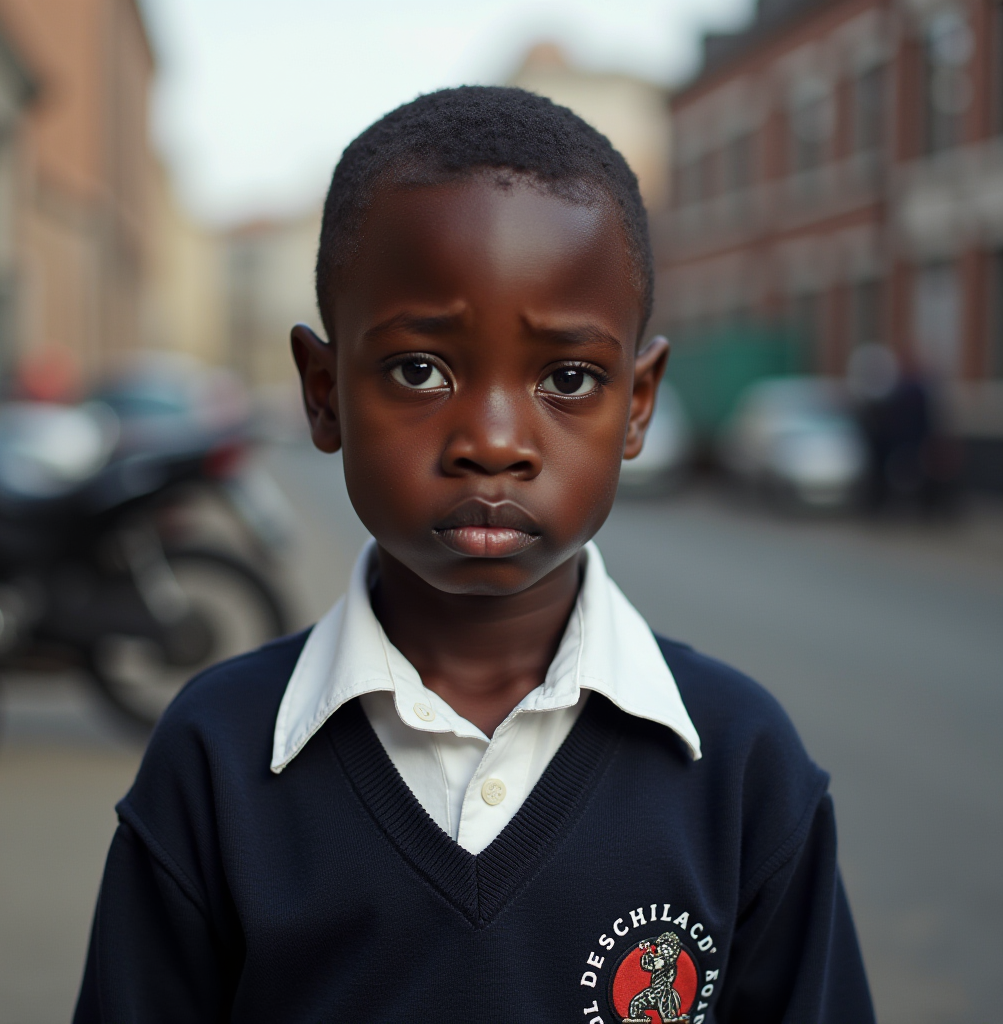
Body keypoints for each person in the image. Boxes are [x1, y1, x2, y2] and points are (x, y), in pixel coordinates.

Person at [74, 87, 874, 1023]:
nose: (494, 440)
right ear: (324, 393)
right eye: (421, 369)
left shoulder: (742, 766)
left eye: (567, 378)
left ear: (639, 404)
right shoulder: (216, 757)